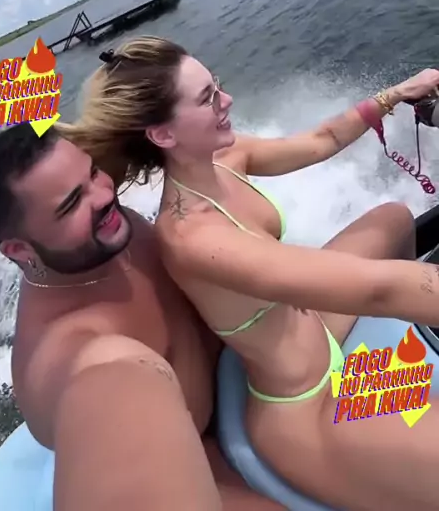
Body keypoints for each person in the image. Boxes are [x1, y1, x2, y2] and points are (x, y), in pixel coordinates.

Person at [59, 35, 439, 511]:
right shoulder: (193, 235)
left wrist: (395, 94)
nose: (227, 99)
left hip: (313, 327)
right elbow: (378, 291)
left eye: (216, 84)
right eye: (207, 98)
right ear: (164, 135)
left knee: (393, 219)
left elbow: (321, 140)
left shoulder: (224, 157)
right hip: (307, 404)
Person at [0, 125, 287, 511]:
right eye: (72, 203)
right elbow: (108, 391)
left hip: (253, 374)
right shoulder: (73, 351)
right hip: (206, 455)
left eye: (93, 172)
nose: (104, 194)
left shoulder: (105, 234)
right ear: (19, 250)